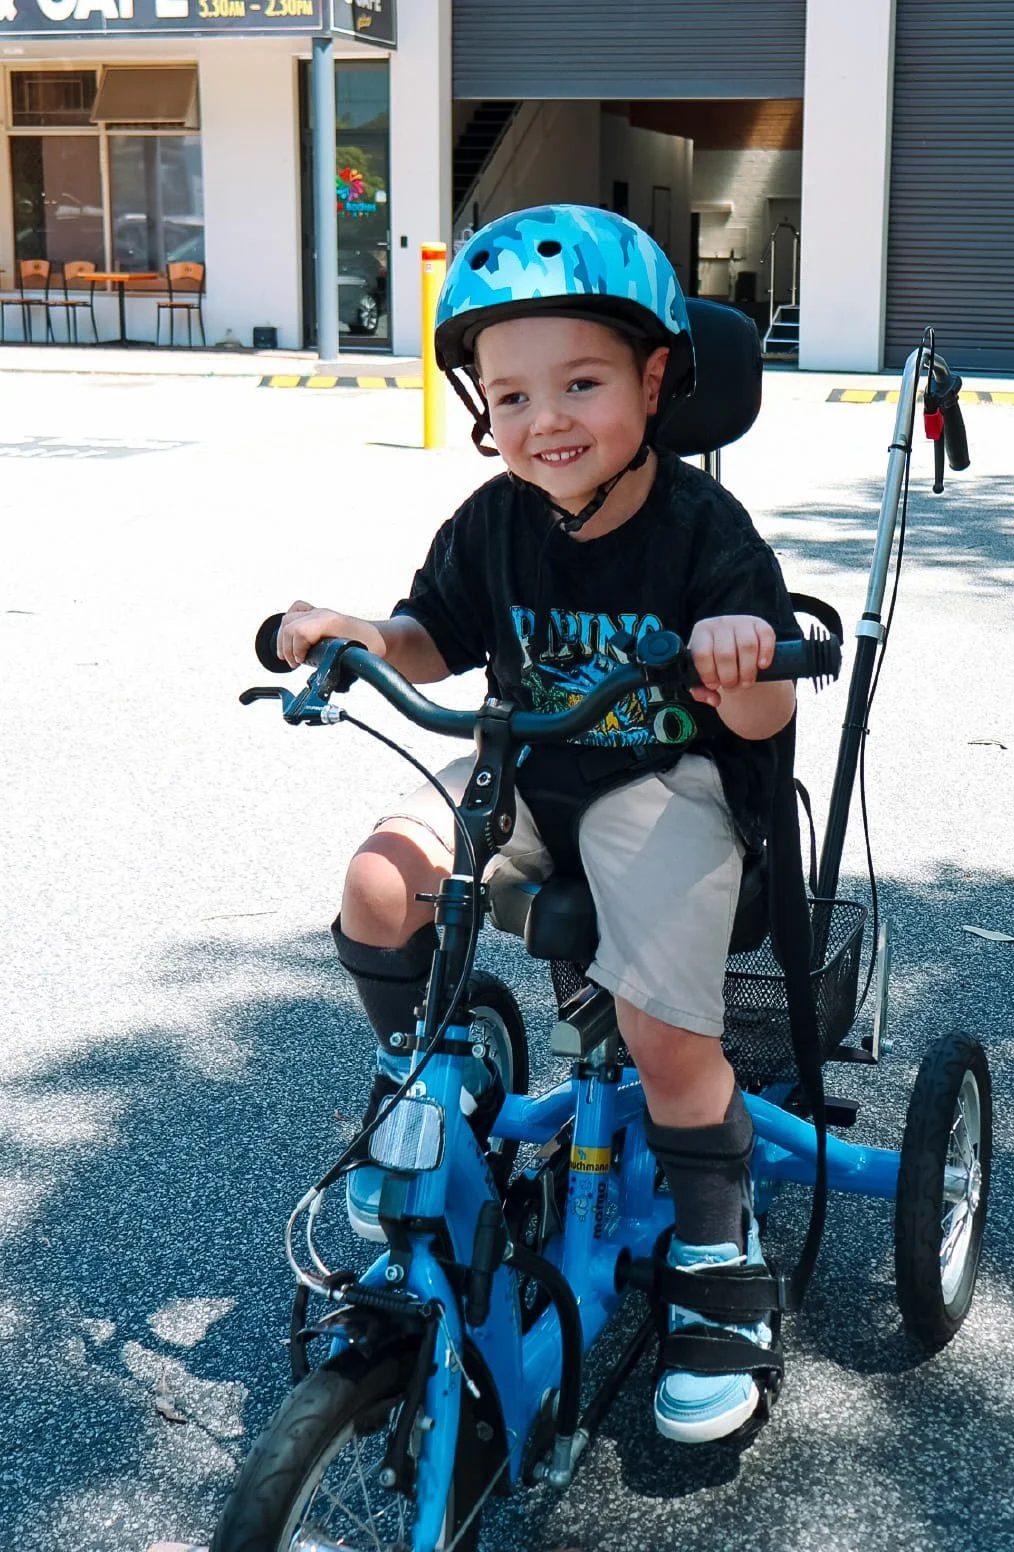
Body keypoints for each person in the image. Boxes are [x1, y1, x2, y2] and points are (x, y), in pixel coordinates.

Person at [276, 204, 799, 1444]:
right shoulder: (492, 523)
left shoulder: (701, 529)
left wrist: (742, 654)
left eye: (579, 382)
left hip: (659, 787)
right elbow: (430, 639)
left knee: (665, 1036)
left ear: (655, 378)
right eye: (509, 396)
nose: (544, 419)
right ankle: (422, 1092)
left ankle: (717, 1256)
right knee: (378, 881)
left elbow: (771, 706)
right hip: (522, 773)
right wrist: (358, 634)